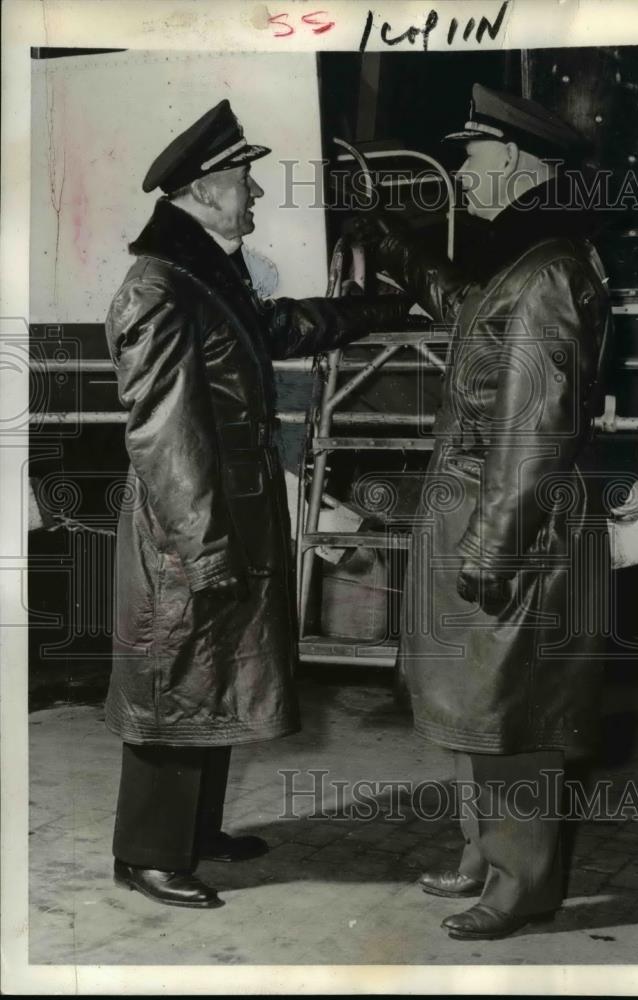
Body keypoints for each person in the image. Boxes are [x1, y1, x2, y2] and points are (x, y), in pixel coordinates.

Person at [105, 100, 413, 909]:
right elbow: (164, 434)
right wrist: (202, 548)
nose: (257, 197)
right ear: (205, 191)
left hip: (224, 508)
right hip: (188, 519)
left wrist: (374, 310)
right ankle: (146, 853)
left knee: (210, 675)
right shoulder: (159, 288)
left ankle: (194, 834)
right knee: (176, 675)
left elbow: (274, 327)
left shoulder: (201, 273)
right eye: (245, 182)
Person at [352, 83, 612, 940]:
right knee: (474, 702)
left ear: (518, 164)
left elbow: (533, 432)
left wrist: (495, 548)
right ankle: (480, 852)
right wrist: (393, 248)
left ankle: (521, 883)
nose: (459, 174)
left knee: (513, 713)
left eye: (471, 157)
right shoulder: (522, 262)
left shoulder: (551, 273)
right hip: (478, 511)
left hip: (511, 523)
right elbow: (467, 312)